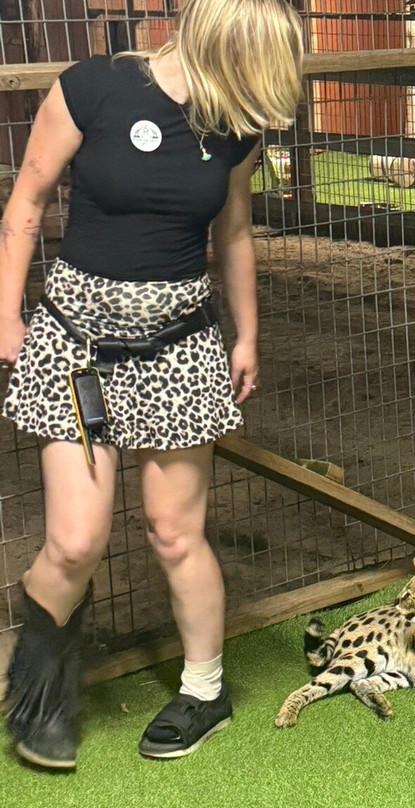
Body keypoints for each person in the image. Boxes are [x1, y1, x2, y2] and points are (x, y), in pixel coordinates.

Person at [0, 0, 303, 769]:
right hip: (78, 345)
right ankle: (40, 676)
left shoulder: (235, 123)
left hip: (178, 349)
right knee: (74, 542)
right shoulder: (92, 89)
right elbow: (27, 200)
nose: (257, 90)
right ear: (216, 41)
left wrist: (249, 332)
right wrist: (7, 318)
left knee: (175, 532)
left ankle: (205, 690)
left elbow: (231, 232)